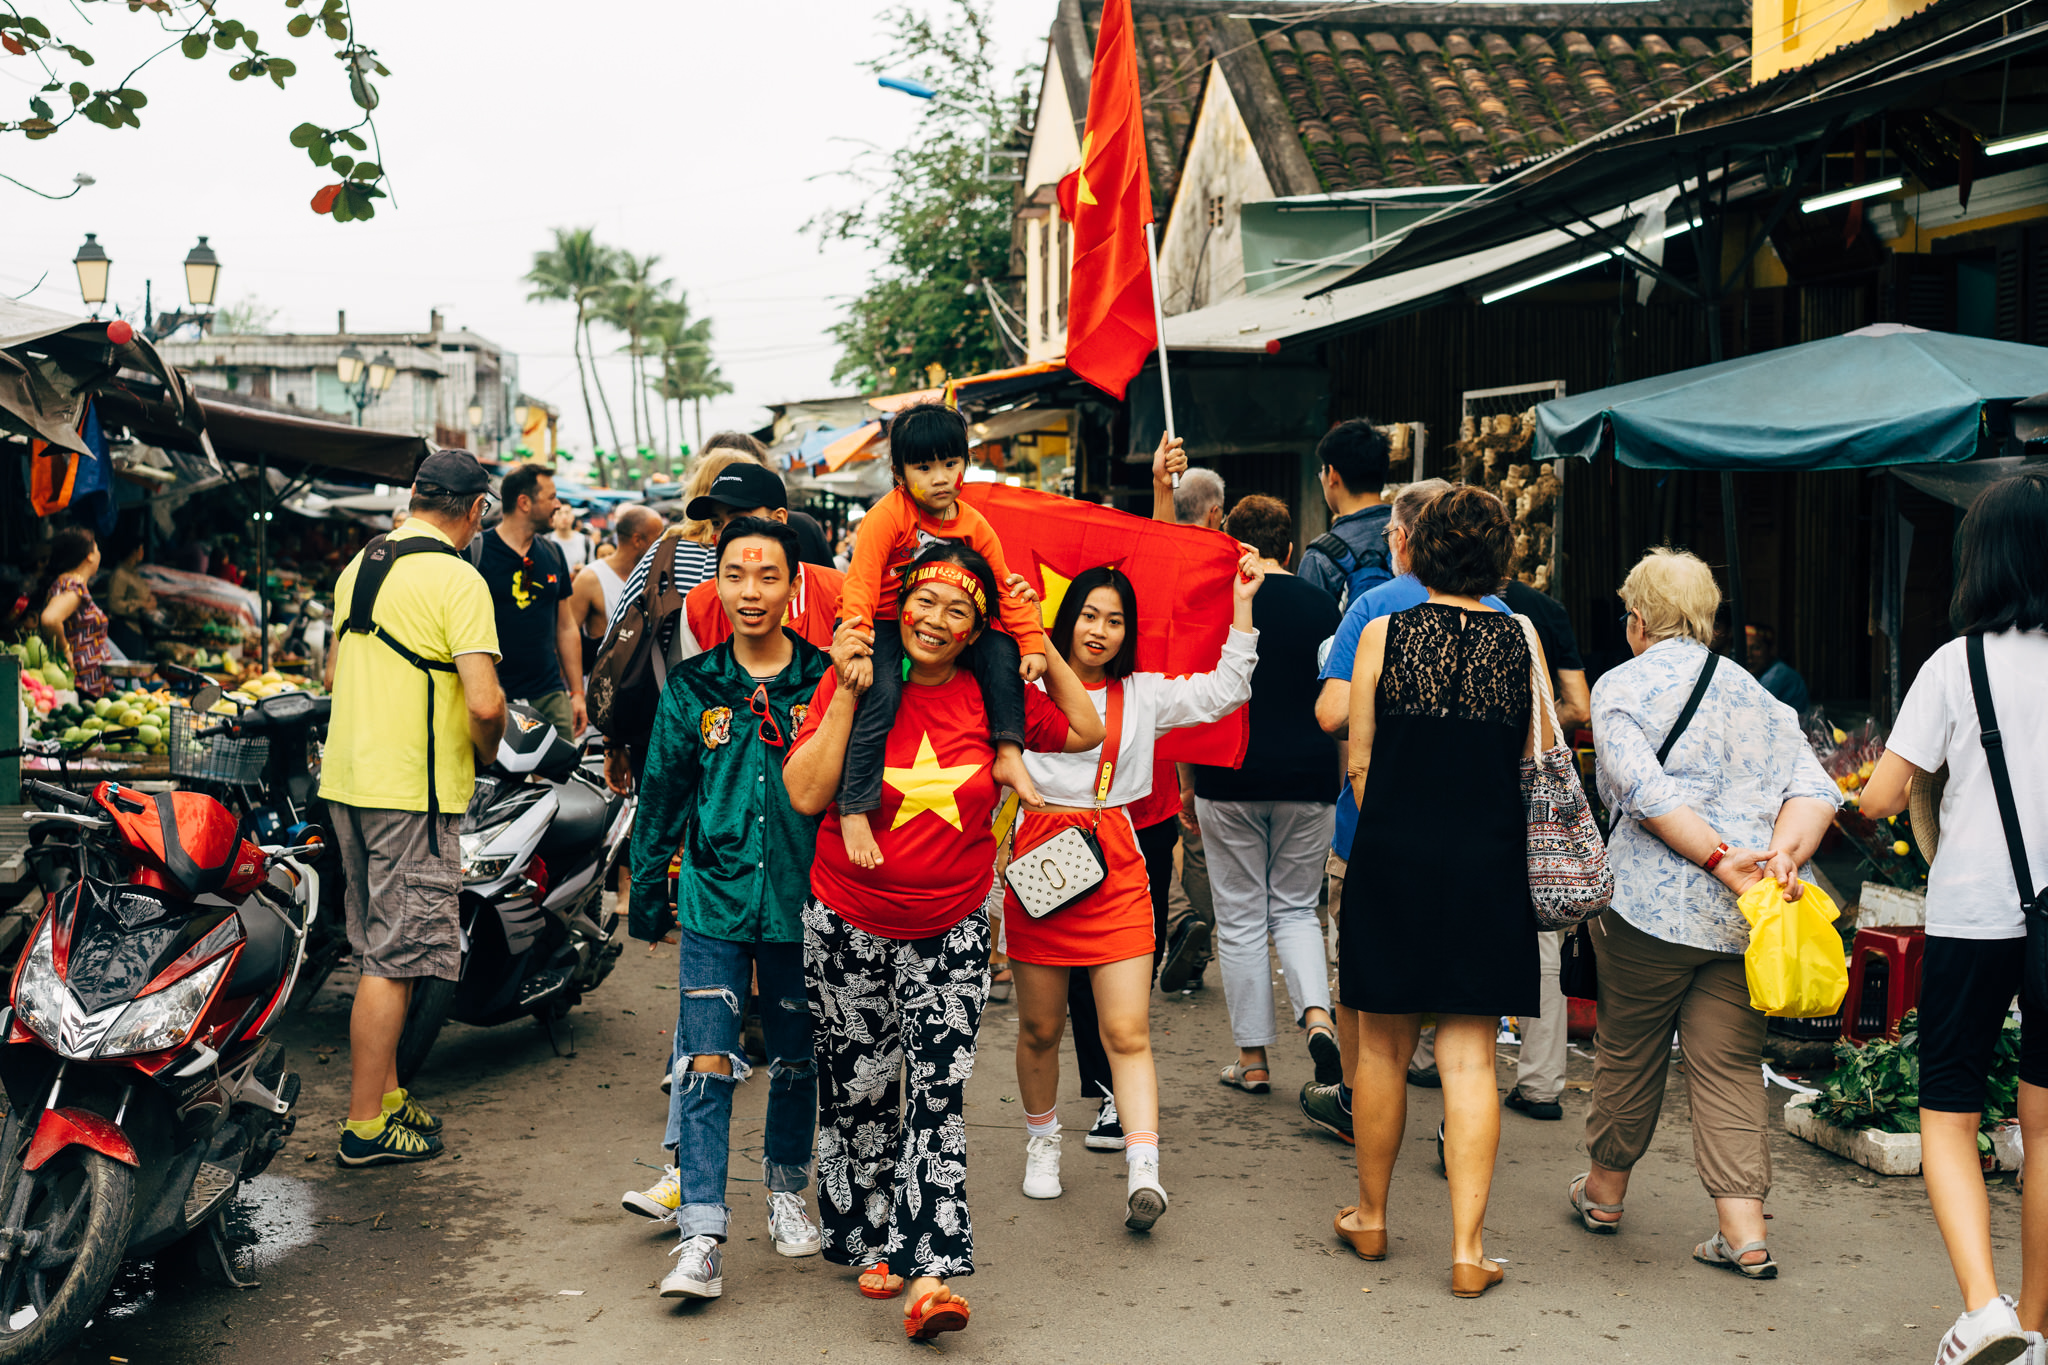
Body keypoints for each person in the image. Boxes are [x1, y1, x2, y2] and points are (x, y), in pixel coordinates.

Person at [783, 542, 1101, 1343]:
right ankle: (870, 1229)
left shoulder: (992, 698)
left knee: (936, 1094)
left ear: (974, 630)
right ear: (901, 607)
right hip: (847, 917)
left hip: (952, 928)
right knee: (858, 1089)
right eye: (925, 603)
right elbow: (804, 792)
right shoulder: (857, 676)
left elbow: (1088, 727)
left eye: (958, 611)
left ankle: (930, 1271)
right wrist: (851, 689)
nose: (937, 621)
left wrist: (1037, 638)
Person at [1574, 548, 1837, 1283]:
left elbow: (1643, 789)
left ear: (1637, 620)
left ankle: (1603, 1194)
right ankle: (1744, 1232)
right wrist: (1781, 855)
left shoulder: (1622, 685)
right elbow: (1816, 789)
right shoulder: (1761, 695)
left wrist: (1719, 855)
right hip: (1742, 917)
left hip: (1648, 911)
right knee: (1728, 1064)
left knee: (1629, 1048)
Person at [1007, 553, 1262, 1230]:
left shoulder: (1143, 692)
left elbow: (1224, 690)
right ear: (1066, 620)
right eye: (1089, 614)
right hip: (1039, 858)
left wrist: (1242, 607)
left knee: (1127, 1027)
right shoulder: (1020, 683)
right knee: (1039, 1028)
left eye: (1115, 620)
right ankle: (1042, 1142)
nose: (1100, 630)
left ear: (1129, 632)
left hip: (1114, 862)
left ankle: (1144, 1168)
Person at [1335, 484, 1544, 1299]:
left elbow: (1359, 763)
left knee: (1383, 1046)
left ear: (1419, 546)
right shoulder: (1519, 641)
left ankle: (1371, 1216)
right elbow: (1527, 757)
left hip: (1393, 852)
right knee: (1470, 1057)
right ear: (1498, 556)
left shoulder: (1383, 631)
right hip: (1487, 862)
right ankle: (1467, 1247)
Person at [1862, 469, 2048, 1365]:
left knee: (1949, 1111)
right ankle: (2040, 1323)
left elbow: (1883, 794)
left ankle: (1985, 1309)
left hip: (1976, 910)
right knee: (2047, 1125)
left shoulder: (1955, 663)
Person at [620, 517, 831, 1301]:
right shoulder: (694, 687)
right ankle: (702, 1232)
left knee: (796, 1056)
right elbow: (663, 796)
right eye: (736, 576)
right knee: (705, 1062)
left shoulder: (821, 681)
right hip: (712, 900)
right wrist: (648, 901)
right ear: (720, 585)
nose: (751, 592)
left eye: (767, 576)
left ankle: (784, 1189)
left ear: (791, 585)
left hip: (800, 903)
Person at [1303, 478, 1507, 1143]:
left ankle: (1364, 1166)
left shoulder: (1377, 612)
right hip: (1480, 851)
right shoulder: (1509, 624)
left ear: (1406, 539)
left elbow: (1334, 717)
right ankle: (1459, 1164)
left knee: (1376, 1022)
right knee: (1468, 1045)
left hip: (1380, 842)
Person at [319, 449, 506, 1166]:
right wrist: (486, 746)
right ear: (475, 510)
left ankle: (388, 1095)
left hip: (350, 778)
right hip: (412, 789)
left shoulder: (360, 564)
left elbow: (337, 670)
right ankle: (366, 1123)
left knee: (374, 946)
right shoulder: (456, 578)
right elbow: (485, 701)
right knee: (395, 961)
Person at [833, 402, 1048, 869]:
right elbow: (862, 583)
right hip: (888, 621)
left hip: (951, 625)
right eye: (924, 467)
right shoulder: (888, 516)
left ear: (966, 462)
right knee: (884, 691)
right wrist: (860, 645)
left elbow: (1005, 587)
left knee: (1001, 650)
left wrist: (1030, 640)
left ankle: (1008, 751)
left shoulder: (974, 524)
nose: (940, 478)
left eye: (951, 463)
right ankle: (853, 805)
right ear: (898, 471)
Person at [1195, 494, 1342, 1094]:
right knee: (1296, 909)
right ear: (1290, 548)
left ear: (1236, 544)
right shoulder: (1323, 605)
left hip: (1228, 776)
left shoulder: (1220, 602)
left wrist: (1184, 781)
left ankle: (1253, 1062)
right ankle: (1317, 1016)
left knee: (1239, 918)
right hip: (1308, 778)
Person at [1499, 575, 1591, 1125]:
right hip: (1535, 790)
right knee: (1541, 936)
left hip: (1460, 787)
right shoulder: (1543, 611)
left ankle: (1423, 1056)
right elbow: (1577, 706)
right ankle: (1540, 1084)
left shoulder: (1411, 606)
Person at [1147, 436, 1217, 991]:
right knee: (1188, 829)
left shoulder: (1164, 556)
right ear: (1215, 514)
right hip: (1196, 709)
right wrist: (1158, 487)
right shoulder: (1221, 562)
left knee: (1155, 824)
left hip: (1155, 709)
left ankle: (1176, 925)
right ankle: (1189, 931)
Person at [475, 462, 584, 743]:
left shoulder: (553, 553)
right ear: (524, 502)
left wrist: (577, 692)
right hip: (493, 694)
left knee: (561, 779)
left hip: (549, 693)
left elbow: (566, 627)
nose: (558, 505)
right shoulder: (476, 552)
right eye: (551, 497)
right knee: (496, 784)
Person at [1297, 418, 1394, 612]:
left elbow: (1306, 631)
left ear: (1332, 475)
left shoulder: (1320, 557)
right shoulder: (1418, 536)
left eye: (1322, 472)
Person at [570, 503, 661, 672]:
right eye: (658, 538)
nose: (662, 545)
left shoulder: (656, 575)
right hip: (605, 686)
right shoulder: (590, 578)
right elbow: (567, 635)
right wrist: (576, 692)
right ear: (637, 540)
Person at [36, 527, 110, 698]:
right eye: (97, 549)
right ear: (89, 556)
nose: (99, 554)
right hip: (82, 683)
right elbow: (49, 619)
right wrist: (65, 651)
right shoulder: (74, 587)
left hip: (85, 682)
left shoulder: (67, 584)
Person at [104, 533, 157, 660]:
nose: (143, 552)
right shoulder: (119, 575)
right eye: (141, 549)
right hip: (125, 631)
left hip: (138, 630)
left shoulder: (134, 573)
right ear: (134, 551)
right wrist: (141, 604)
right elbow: (114, 604)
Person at [1745, 623, 1812, 715]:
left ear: (1771, 650)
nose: (1748, 655)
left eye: (1756, 648)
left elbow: (1750, 710)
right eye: (1745, 648)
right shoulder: (1759, 674)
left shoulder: (1779, 674)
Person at [548, 505, 593, 574]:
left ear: (573, 517)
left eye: (567, 513)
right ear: (553, 517)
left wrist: (584, 569)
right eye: (559, 513)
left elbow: (593, 569)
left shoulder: (586, 541)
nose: (564, 517)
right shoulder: (545, 541)